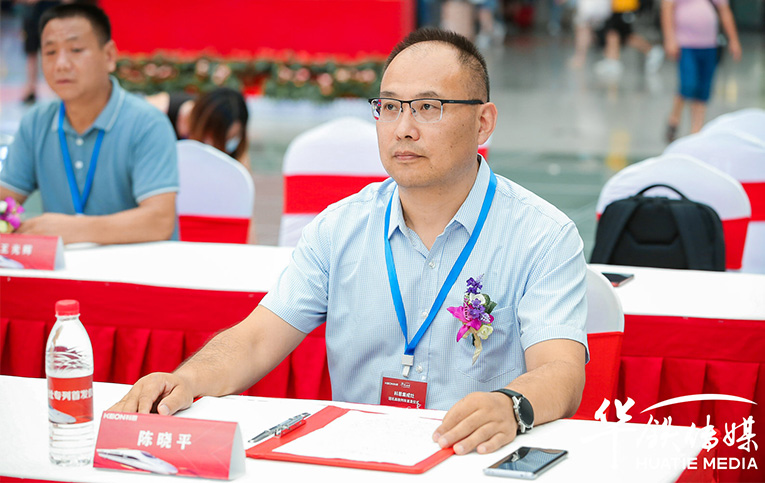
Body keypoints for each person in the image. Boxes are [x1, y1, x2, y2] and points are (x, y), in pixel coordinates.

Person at [111, 28, 588, 456]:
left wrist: (511, 405)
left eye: (428, 107)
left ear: (483, 122)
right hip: (360, 460)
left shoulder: (542, 236)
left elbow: (561, 372)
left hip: (472, 457)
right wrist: (185, 379)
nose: (403, 128)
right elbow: (256, 339)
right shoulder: (339, 228)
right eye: (390, 107)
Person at [0, 3, 179, 245]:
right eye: (50, 52)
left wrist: (72, 229)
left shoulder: (147, 123)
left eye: (75, 50)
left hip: (138, 265)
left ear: (109, 56)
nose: (61, 64)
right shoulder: (36, 123)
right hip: (64, 267)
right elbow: (5, 199)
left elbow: (159, 221)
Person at [661, 0, 741, 142]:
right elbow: (667, 9)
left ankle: (696, 131)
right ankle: (674, 117)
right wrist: (669, 39)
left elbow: (724, 10)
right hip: (685, 44)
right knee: (688, 84)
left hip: (709, 44)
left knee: (703, 87)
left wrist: (733, 40)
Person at [145, 87, 250, 167]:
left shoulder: (233, 145)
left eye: (232, 138)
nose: (225, 149)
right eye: (218, 139)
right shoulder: (156, 114)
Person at [594, 0, 664, 79]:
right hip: (618, 7)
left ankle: (613, 61)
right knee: (621, 35)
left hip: (625, 6)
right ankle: (612, 60)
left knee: (615, 33)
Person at [18, 0, 62, 104]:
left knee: (55, 51)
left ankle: (59, 87)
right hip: (33, 15)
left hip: (51, 13)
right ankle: (31, 89)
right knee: (32, 54)